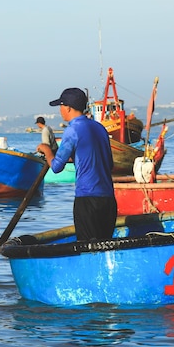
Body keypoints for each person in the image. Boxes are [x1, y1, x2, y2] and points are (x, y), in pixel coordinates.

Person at [36, 88, 117, 241]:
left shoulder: (72, 130)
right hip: (108, 199)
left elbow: (56, 166)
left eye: (60, 106)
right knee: (104, 245)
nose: (60, 110)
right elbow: (109, 163)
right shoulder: (100, 128)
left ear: (68, 107)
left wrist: (47, 151)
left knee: (86, 248)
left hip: (87, 199)